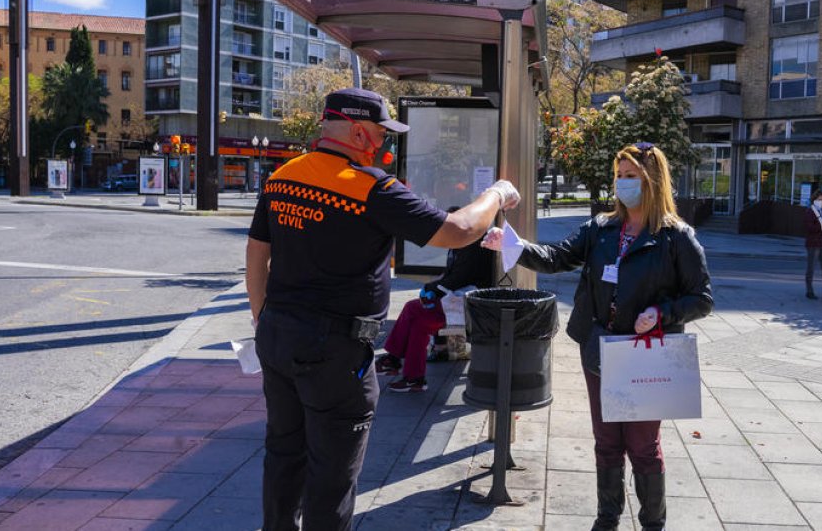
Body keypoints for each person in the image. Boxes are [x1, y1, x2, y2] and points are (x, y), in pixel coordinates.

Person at [245, 87, 521, 531]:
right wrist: (496, 193)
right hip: (335, 351)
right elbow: (459, 228)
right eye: (381, 134)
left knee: (283, 450)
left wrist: (262, 320)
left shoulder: (283, 176)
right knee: (332, 474)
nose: (384, 145)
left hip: (278, 337)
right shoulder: (371, 189)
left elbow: (258, 251)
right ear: (358, 131)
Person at [483, 142, 713, 531]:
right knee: (606, 442)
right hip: (601, 350)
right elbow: (557, 257)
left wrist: (662, 313)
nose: (622, 184)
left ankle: (653, 523)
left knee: (642, 446)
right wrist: (513, 245)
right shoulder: (601, 229)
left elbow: (702, 298)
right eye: (619, 176)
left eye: (631, 177)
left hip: (645, 355)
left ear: (653, 181)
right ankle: (607, 518)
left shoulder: (677, 238)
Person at [375, 206, 495, 392]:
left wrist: (432, 288)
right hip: (459, 302)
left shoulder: (474, 245)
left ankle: (394, 358)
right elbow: (453, 276)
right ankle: (413, 378)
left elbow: (461, 277)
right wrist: (435, 286)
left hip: (471, 308)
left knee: (412, 308)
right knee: (419, 323)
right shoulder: (465, 242)